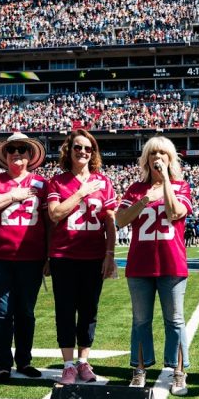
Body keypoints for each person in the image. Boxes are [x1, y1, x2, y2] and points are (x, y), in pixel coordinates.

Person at [116, 136, 192, 396]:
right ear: (146, 159)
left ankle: (179, 371)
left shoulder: (181, 186)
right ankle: (139, 370)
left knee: (175, 320)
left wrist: (167, 182)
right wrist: (144, 200)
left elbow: (174, 213)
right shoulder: (136, 189)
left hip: (172, 263)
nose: (157, 158)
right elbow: (120, 219)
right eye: (152, 154)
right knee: (140, 321)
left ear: (171, 158)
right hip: (140, 264)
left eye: (162, 154)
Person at [0, 132, 49, 383]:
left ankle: (24, 360)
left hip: (31, 256)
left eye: (22, 149)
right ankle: (3, 364)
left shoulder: (42, 184)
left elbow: (50, 222)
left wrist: (49, 255)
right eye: (11, 149)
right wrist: (11, 196)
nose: (17, 153)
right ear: (4, 155)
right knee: (2, 313)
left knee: (26, 311)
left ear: (30, 155)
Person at [47, 129, 119, 385]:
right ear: (69, 150)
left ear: (93, 153)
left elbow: (110, 222)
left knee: (89, 310)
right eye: (78, 147)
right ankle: (68, 364)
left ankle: (83, 361)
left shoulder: (104, 182)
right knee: (65, 310)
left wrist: (110, 254)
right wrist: (81, 192)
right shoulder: (57, 181)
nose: (83, 152)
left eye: (88, 149)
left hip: (93, 254)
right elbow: (55, 214)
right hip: (64, 254)